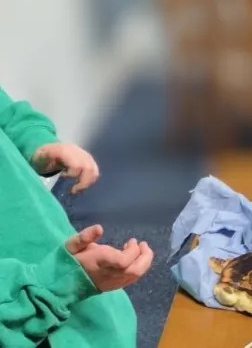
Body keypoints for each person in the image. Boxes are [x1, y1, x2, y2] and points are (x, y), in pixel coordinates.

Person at [0, 88, 152, 347]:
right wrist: (57, 281)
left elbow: (8, 115)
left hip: (75, 291)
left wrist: (40, 145)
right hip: (27, 321)